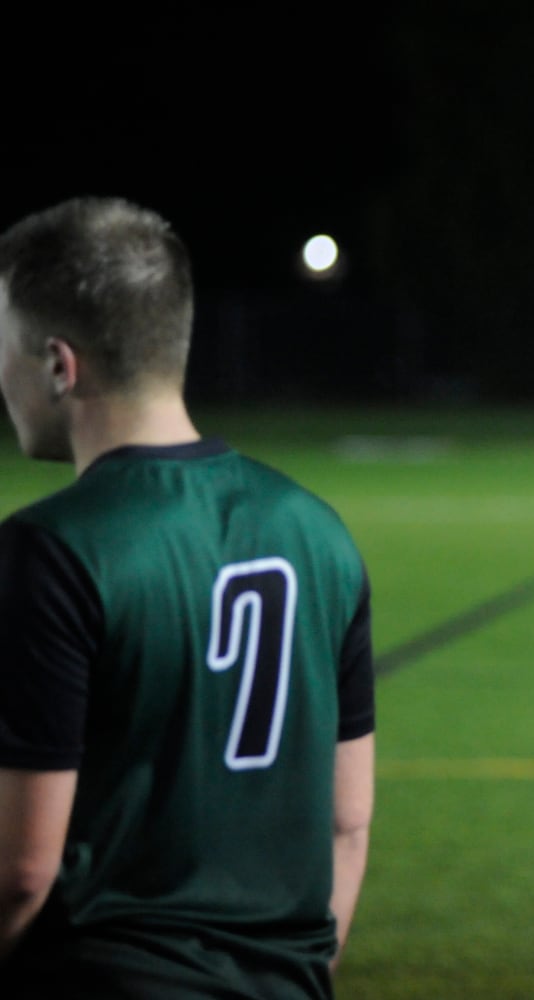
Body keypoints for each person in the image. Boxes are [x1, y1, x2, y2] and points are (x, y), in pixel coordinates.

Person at [0, 197, 375, 998]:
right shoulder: (319, 531)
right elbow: (347, 824)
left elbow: (22, 870)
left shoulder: (51, 549)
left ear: (60, 365)